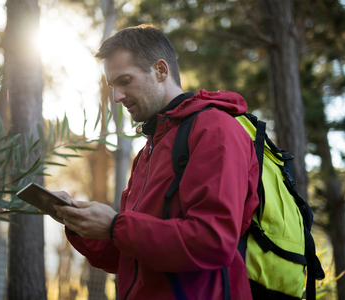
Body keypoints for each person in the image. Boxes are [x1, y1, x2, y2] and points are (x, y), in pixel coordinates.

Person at [52, 24, 259, 300]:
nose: (117, 97)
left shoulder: (215, 128)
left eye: (125, 81)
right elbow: (130, 255)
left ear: (161, 70)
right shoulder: (148, 151)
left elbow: (213, 241)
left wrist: (115, 225)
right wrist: (80, 223)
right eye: (112, 86)